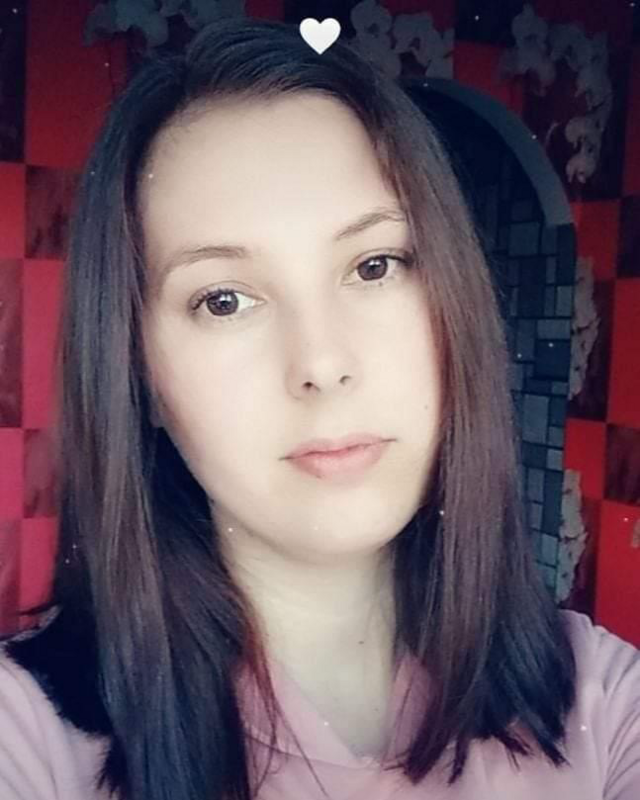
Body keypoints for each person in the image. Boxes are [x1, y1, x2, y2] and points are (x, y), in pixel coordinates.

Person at [0, 15, 638, 800]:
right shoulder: (27, 738)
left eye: (375, 266)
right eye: (224, 299)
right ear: (143, 378)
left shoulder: (603, 705)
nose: (323, 363)